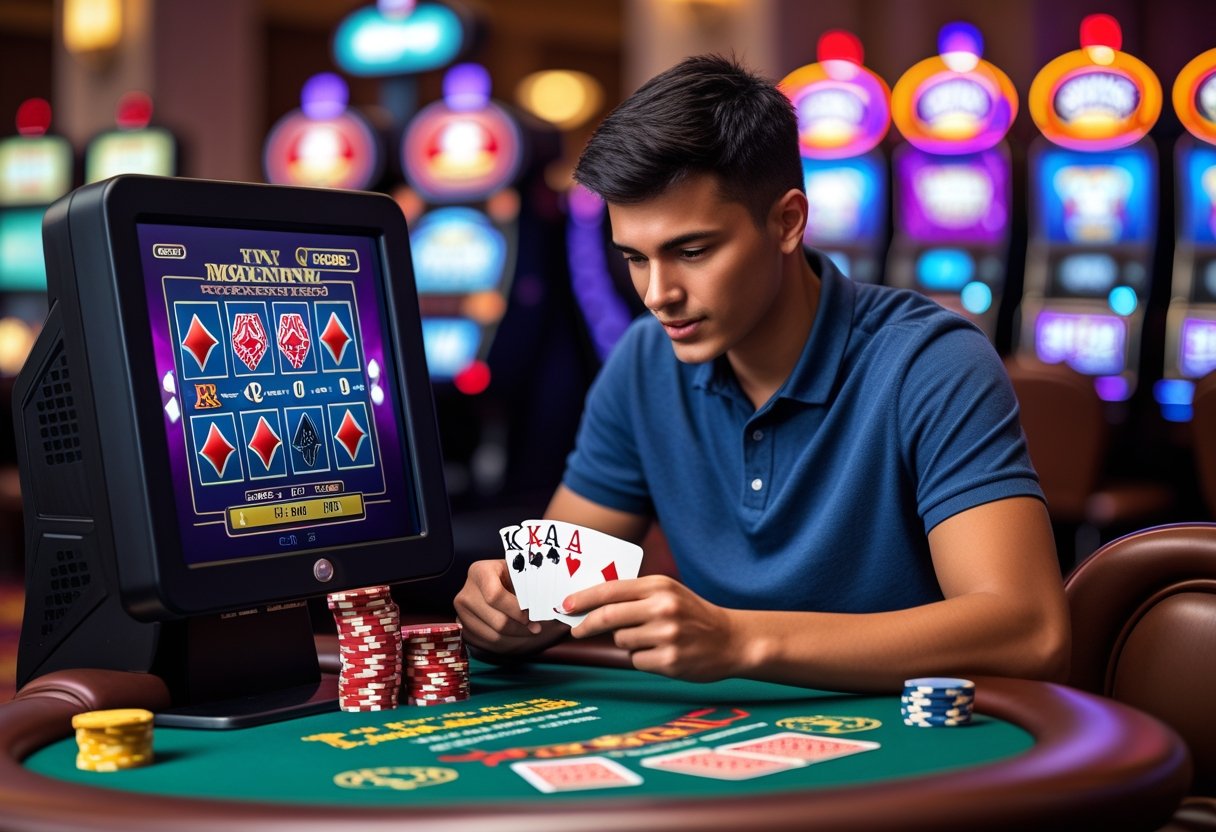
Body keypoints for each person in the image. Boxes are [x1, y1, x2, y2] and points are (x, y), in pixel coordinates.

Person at [454, 54, 1069, 692]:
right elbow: (554, 597)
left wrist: (739, 639)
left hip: (915, 753)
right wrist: (504, 614)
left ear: (787, 222)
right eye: (635, 258)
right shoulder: (642, 364)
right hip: (728, 747)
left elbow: (1029, 630)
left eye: (691, 252)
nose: (658, 294)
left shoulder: (930, 361)